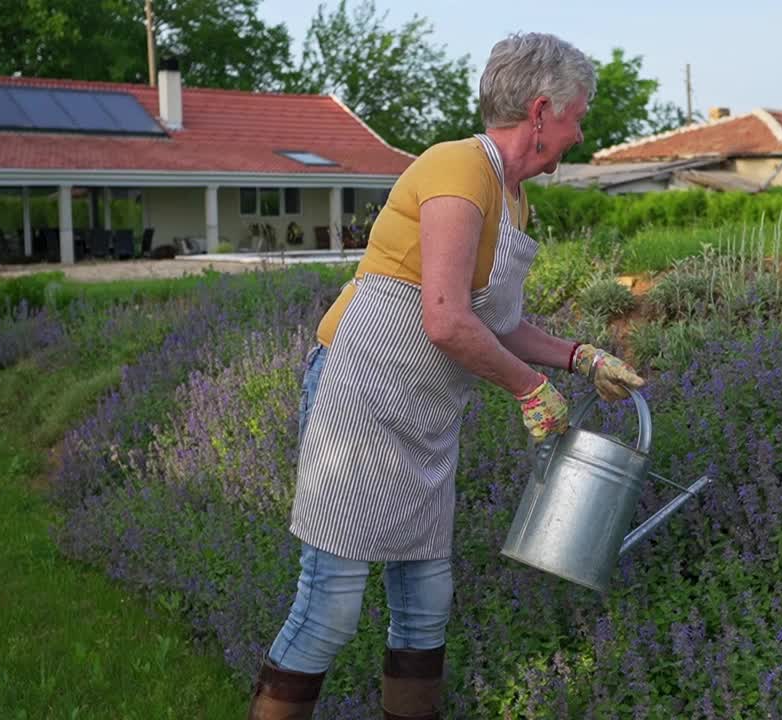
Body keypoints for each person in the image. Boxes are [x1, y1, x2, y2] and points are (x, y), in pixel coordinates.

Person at [247, 32, 646, 720]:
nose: (581, 133)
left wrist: (580, 357)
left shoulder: (513, 198)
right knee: (331, 607)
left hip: (423, 416)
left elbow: (494, 320)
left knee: (427, 607)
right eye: (579, 115)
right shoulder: (459, 168)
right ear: (543, 111)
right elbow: (444, 318)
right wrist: (528, 387)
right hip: (361, 396)